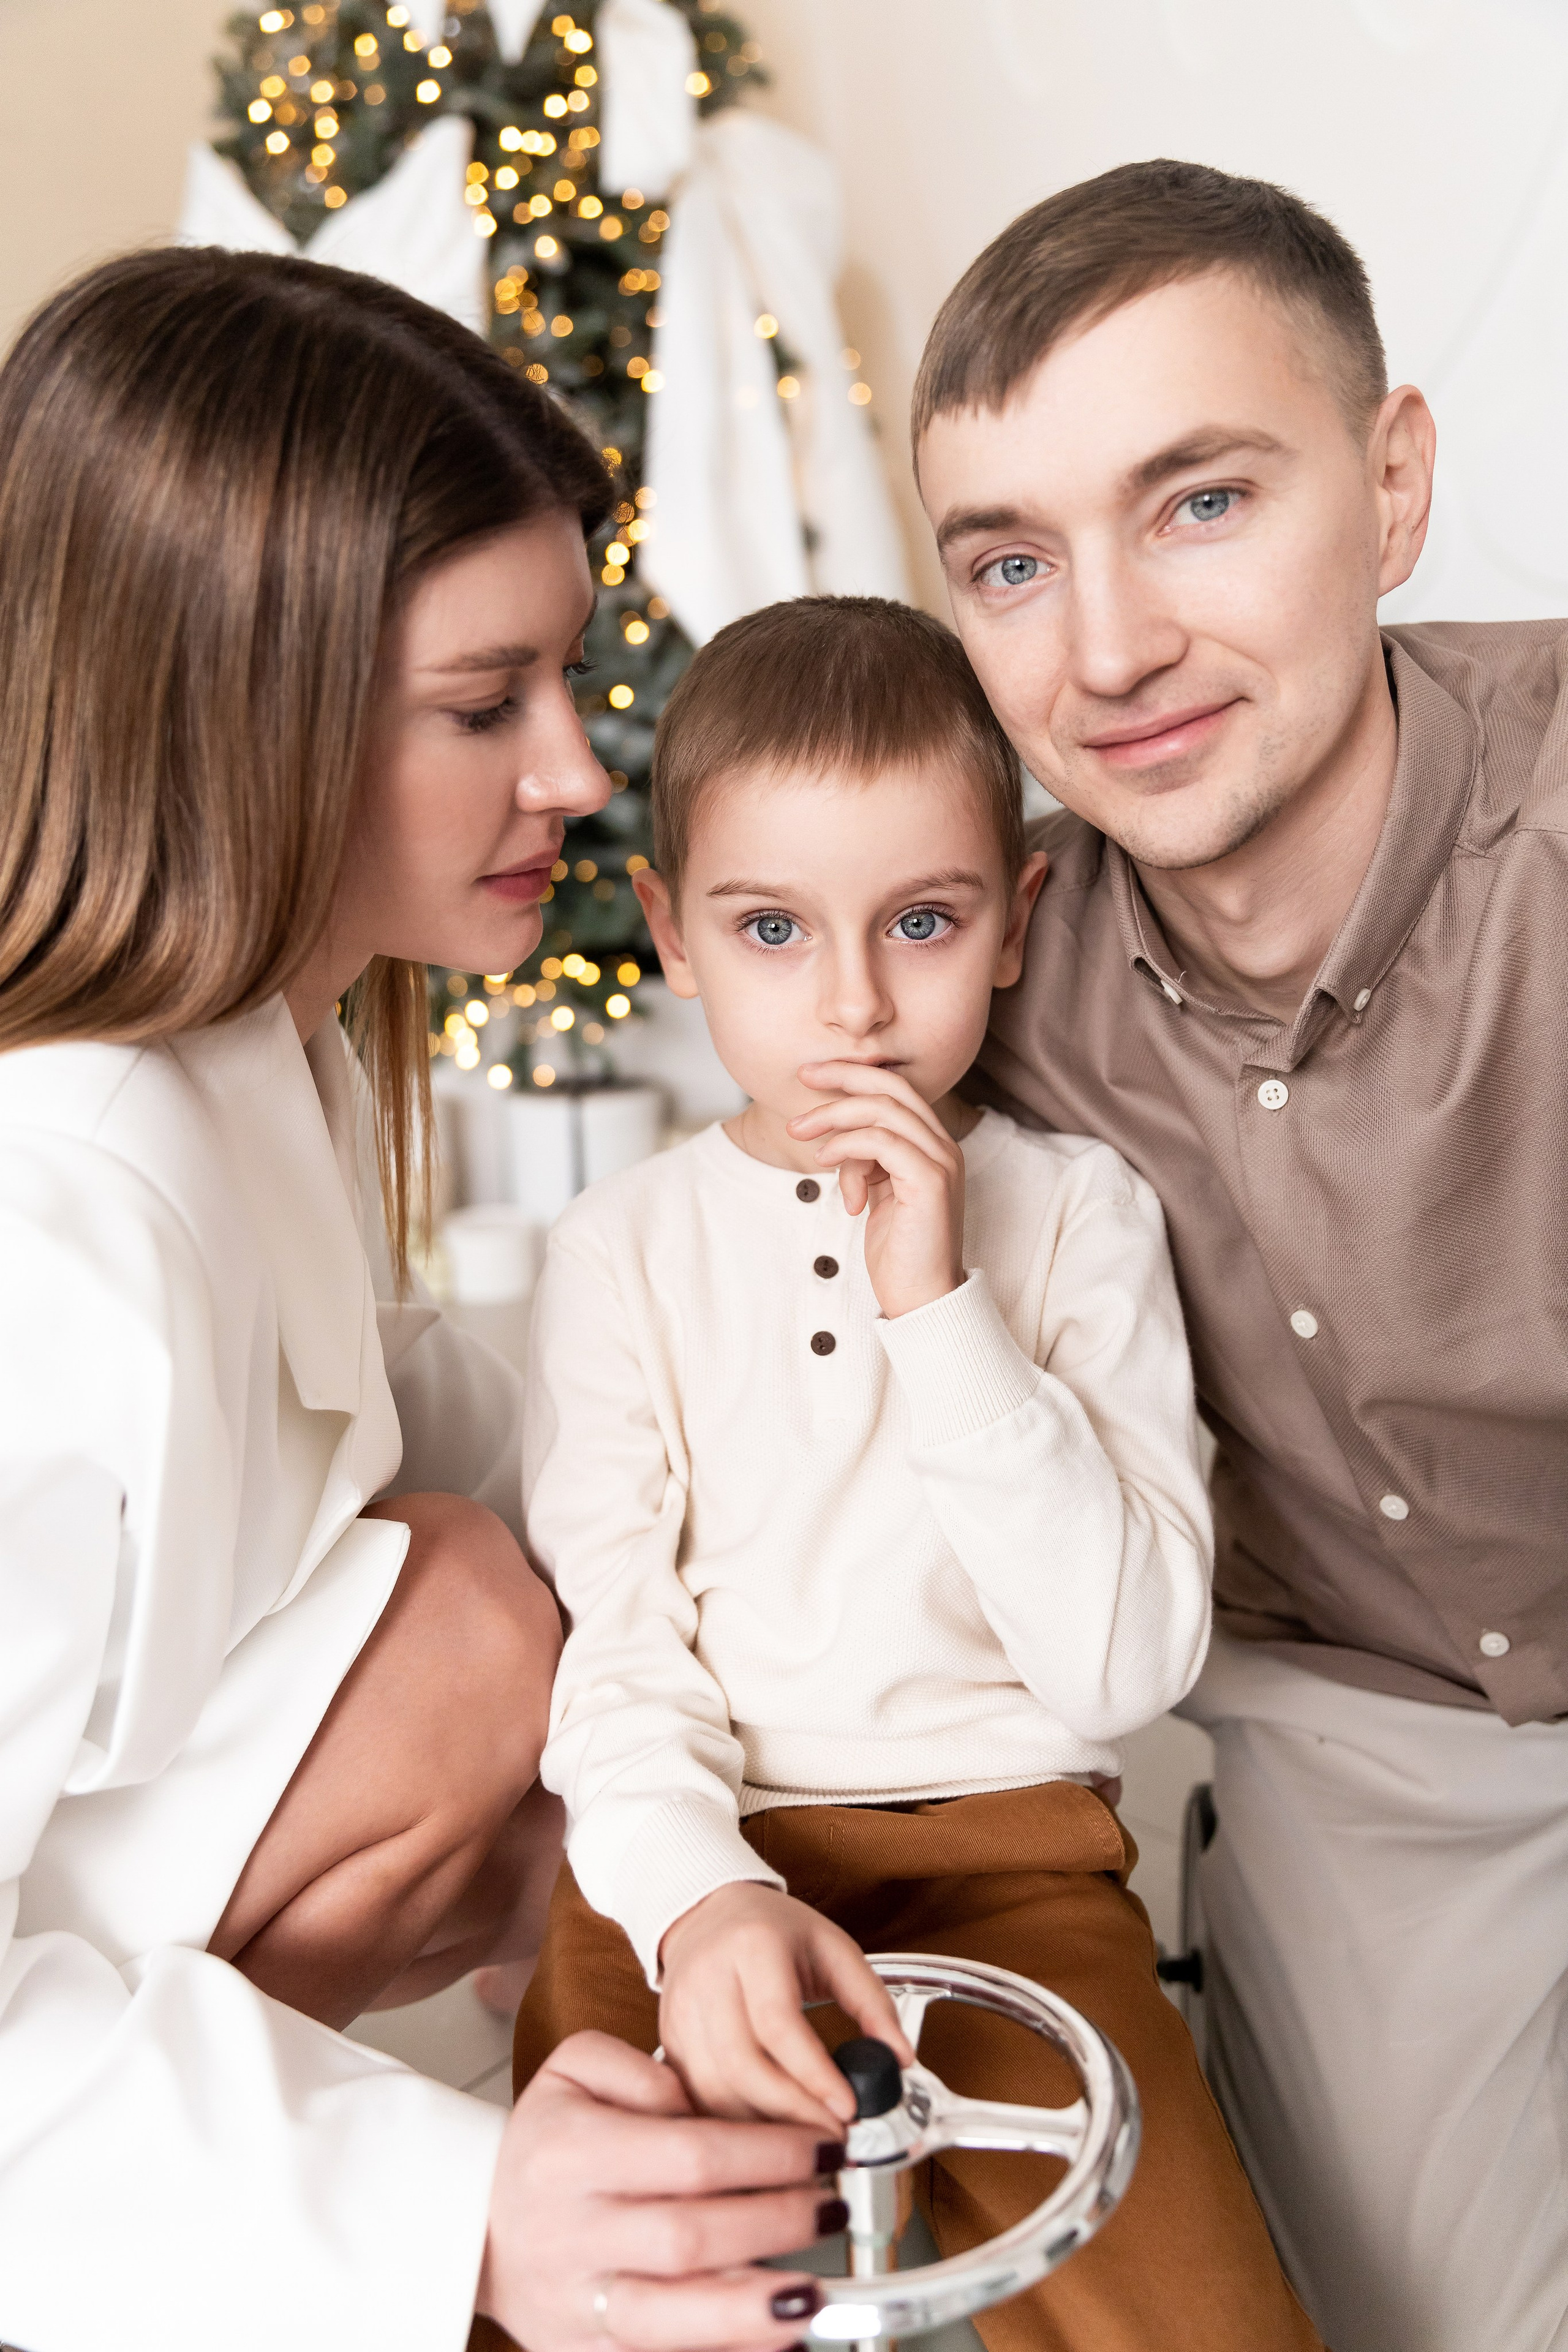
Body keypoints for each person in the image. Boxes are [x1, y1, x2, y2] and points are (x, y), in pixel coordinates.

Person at [0, 247, 845, 2352]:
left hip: (193, 1957)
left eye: (562, 681)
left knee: (517, 1601)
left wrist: (820, 1382)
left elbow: (442, 1404)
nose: (577, 769)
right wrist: (452, 2213)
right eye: (487, 708)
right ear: (243, 701)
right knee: (468, 1623)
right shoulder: (55, 1230)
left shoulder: (258, 1052)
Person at [913, 156, 1568, 2352]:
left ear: (1393, 490)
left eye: (1199, 504)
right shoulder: (972, 976)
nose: (1105, 652)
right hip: (1366, 1754)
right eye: (1013, 561)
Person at [510, 595, 1322, 2352]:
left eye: (924, 923)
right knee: (605, 2284)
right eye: (776, 930)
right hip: (694, 1861)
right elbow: (620, 1656)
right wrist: (697, 1898)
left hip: (1017, 1865)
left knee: (1201, 2314)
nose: (856, 1007)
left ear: (1017, 922)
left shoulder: (1084, 1219)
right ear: (671, 932)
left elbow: (1121, 1668)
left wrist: (939, 1308)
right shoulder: (618, 1254)